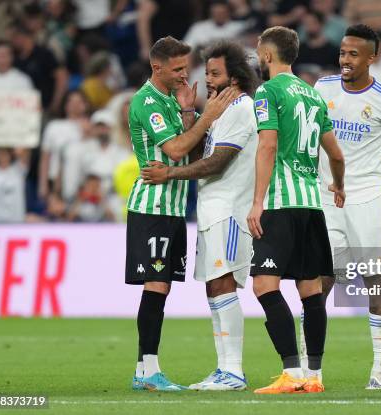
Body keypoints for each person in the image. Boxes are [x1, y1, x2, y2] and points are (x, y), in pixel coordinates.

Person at [140, 40, 259, 391]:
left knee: (224, 285)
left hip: (230, 211)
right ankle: (224, 369)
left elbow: (217, 162)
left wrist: (169, 174)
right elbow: (199, 159)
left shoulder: (242, 108)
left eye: (214, 73)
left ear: (235, 78)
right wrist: (192, 115)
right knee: (214, 287)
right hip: (211, 210)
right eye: (205, 72)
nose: (207, 79)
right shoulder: (219, 112)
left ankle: (233, 370)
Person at [311, 24, 381, 390]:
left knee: (374, 278)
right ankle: (312, 371)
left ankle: (380, 370)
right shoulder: (322, 89)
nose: (345, 60)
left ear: (373, 58)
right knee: (321, 281)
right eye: (342, 52)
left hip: (368, 197)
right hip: (326, 197)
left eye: (354, 54)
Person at [247, 26, 345, 394]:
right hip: (311, 203)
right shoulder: (313, 95)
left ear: (268, 56)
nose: (258, 57)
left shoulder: (268, 92)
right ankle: (314, 375)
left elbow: (267, 146)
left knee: (264, 285)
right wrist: (339, 184)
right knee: (310, 290)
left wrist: (257, 201)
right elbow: (336, 153)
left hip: (280, 202)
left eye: (259, 51)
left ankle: (291, 372)